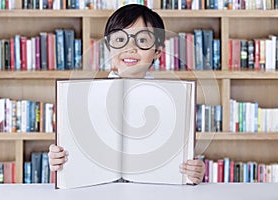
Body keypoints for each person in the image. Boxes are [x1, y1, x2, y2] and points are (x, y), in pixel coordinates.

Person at [48, 4, 205, 185]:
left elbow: (180, 161)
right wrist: (59, 160)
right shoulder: (86, 99)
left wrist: (193, 172)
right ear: (109, 47)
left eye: (143, 41)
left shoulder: (173, 101)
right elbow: (74, 154)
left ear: (158, 51)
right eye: (120, 39)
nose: (130, 48)